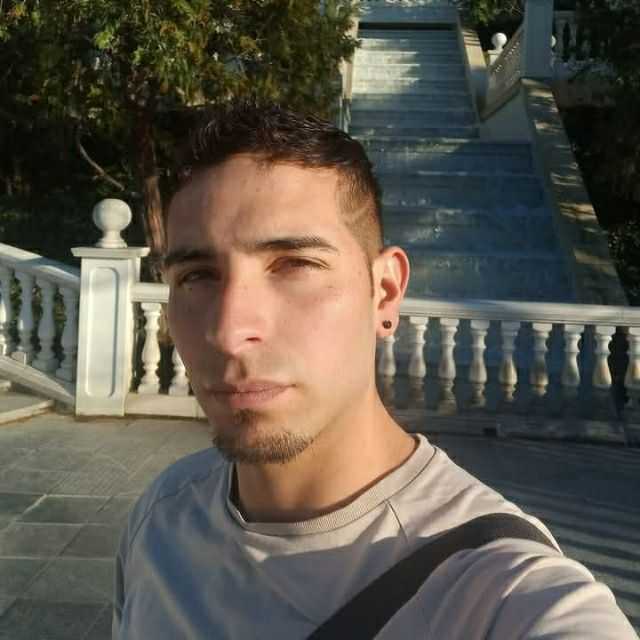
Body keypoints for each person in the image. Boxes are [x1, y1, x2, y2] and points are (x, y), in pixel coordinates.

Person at [112, 102, 636, 639]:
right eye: (197, 276)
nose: (227, 331)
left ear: (384, 293)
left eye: (295, 265)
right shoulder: (161, 520)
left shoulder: (503, 594)